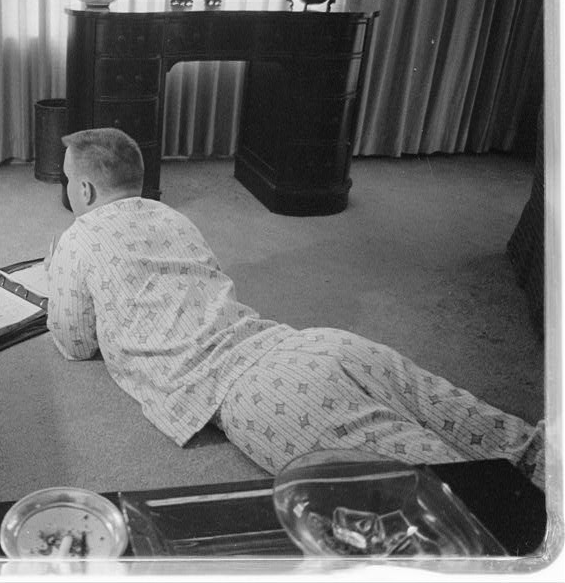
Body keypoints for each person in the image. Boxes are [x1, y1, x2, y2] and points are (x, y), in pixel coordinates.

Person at [45, 127, 545, 489]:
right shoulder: (172, 217)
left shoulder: (78, 238)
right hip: (311, 342)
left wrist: (57, 275)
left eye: (67, 180)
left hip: (255, 390)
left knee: (454, 498)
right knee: (491, 430)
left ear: (84, 190)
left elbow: (75, 341)